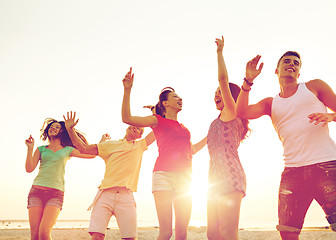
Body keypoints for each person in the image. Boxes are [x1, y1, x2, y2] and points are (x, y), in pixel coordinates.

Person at [235, 51, 336, 240]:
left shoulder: (314, 86)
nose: (292, 64)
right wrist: (248, 81)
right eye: (287, 61)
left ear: (299, 73)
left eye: (296, 63)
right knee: (287, 232)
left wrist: (331, 116)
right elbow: (241, 112)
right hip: (293, 172)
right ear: (276, 70)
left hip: (327, 165)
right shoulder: (270, 104)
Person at [121, 68, 207, 240]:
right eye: (175, 97)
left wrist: (210, 135)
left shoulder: (184, 129)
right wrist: (127, 90)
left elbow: (193, 150)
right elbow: (127, 118)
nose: (180, 99)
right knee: (166, 232)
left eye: (179, 97)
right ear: (165, 103)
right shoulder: (157, 121)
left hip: (185, 179)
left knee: (182, 233)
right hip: (163, 176)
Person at [63, 111, 155, 240]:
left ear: (140, 135)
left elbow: (158, 130)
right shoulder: (110, 145)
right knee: (97, 236)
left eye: (139, 128)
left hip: (126, 196)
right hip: (105, 195)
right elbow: (84, 149)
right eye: (133, 125)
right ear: (128, 127)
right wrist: (70, 129)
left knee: (130, 237)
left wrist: (155, 113)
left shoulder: (140, 146)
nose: (135, 127)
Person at [206, 36, 250, 240]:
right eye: (215, 93)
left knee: (227, 233)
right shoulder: (215, 122)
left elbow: (223, 80)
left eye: (220, 93)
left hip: (231, 177)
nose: (217, 95)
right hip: (213, 180)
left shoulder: (232, 114)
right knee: (212, 234)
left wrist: (219, 53)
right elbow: (195, 147)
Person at [25, 118, 95, 240]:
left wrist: (71, 129)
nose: (53, 128)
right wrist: (30, 148)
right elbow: (29, 168)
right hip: (36, 192)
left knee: (44, 233)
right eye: (51, 127)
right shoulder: (41, 149)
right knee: (35, 236)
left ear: (62, 131)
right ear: (47, 131)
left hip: (55, 194)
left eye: (57, 127)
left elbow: (90, 154)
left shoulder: (68, 150)